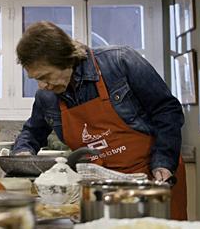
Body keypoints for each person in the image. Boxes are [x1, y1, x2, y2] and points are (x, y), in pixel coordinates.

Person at [13, 21, 187, 220]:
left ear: (65, 59)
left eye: (45, 76)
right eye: (35, 78)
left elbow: (167, 110)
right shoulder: (47, 97)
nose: (42, 85)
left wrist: (164, 162)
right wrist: (23, 153)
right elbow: (32, 132)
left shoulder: (121, 62)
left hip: (152, 180)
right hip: (100, 190)